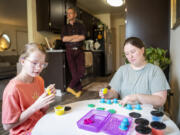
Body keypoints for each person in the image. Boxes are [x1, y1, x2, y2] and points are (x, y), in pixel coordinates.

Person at [99, 37, 170, 108]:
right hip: (125, 112)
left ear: (142, 50)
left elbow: (160, 100)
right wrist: (109, 94)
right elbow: (115, 93)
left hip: (148, 115)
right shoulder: (122, 70)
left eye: (133, 52)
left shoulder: (155, 71)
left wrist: (137, 97)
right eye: (127, 54)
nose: (130, 56)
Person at [2, 43, 56, 135]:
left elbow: (42, 111)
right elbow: (7, 126)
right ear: (23, 61)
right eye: (34, 63)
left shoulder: (39, 80)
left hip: (41, 124)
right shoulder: (13, 89)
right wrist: (35, 106)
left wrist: (46, 99)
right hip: (24, 132)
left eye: (42, 64)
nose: (39, 68)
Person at [61, 7, 86, 98]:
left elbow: (82, 37)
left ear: (75, 14)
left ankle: (70, 87)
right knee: (74, 72)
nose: (68, 15)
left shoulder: (81, 25)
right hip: (69, 51)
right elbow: (64, 39)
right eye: (67, 13)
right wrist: (75, 36)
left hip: (79, 50)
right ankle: (79, 90)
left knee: (82, 71)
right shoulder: (65, 27)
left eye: (70, 13)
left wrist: (70, 38)